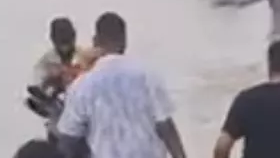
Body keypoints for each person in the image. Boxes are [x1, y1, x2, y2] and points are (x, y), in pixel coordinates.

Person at [57, 12, 187, 158]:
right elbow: (166, 127)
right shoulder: (148, 76)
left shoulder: (82, 86)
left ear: (95, 41)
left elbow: (68, 140)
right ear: (125, 41)